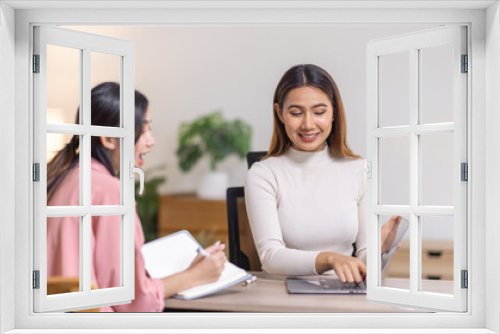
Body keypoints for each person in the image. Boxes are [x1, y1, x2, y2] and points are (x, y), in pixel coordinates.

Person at [46, 82, 227, 312]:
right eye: (144, 129)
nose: (151, 141)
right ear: (109, 139)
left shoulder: (64, 177)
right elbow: (131, 300)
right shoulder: (109, 191)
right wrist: (195, 276)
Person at [244, 64, 400, 283]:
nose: (308, 124)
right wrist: (330, 259)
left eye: (319, 112)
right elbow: (271, 257)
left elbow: (364, 260)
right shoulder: (264, 174)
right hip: (284, 296)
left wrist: (381, 248)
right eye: (296, 113)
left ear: (334, 112)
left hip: (342, 293)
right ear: (279, 113)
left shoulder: (360, 169)